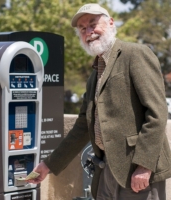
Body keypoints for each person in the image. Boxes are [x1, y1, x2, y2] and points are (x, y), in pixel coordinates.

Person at [28, 3, 171, 200]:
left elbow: (157, 113)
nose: (89, 31)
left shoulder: (135, 54)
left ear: (111, 22)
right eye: (82, 28)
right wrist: (48, 165)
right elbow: (82, 127)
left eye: (93, 24)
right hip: (105, 172)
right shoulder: (95, 75)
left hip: (136, 172)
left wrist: (144, 166)